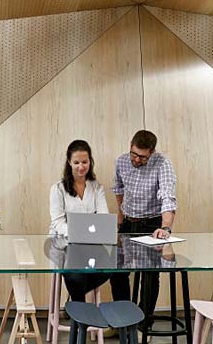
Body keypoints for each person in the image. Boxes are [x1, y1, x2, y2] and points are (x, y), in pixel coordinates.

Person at [49, 139, 131, 301]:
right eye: (76, 162)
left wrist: (94, 235)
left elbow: (102, 218)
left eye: (85, 162)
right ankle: (80, 320)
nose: (81, 167)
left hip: (91, 245)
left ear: (90, 161)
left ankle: (121, 322)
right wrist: (78, 234)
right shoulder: (57, 189)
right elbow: (58, 223)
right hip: (64, 245)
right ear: (69, 162)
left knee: (118, 269)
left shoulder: (96, 187)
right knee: (75, 276)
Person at [112, 130, 177, 318]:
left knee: (148, 275)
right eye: (134, 154)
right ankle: (123, 321)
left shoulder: (162, 164)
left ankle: (143, 323)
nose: (137, 160)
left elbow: (168, 197)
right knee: (116, 271)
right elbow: (118, 188)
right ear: (130, 145)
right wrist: (121, 215)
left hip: (152, 225)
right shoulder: (122, 161)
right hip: (128, 223)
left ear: (152, 152)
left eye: (143, 157)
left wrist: (165, 228)